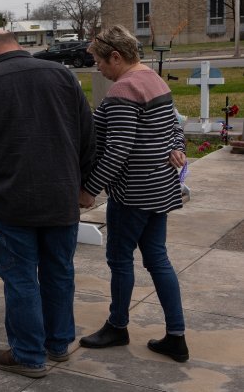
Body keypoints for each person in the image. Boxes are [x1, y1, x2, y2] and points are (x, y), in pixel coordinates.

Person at [0, 30, 95, 378]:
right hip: (60, 198)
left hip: (6, 202)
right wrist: (83, 185)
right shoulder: (64, 76)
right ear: (19, 46)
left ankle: (29, 355)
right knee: (59, 272)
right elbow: (88, 135)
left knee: (21, 280)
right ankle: (58, 343)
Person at [78, 25, 189, 362]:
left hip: (133, 196)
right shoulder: (155, 81)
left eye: (100, 60)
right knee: (158, 259)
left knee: (120, 260)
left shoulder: (125, 90)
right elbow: (175, 127)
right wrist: (178, 148)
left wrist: (89, 189)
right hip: (160, 190)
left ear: (116, 56)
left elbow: (118, 150)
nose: (98, 67)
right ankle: (176, 336)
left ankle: (117, 326)